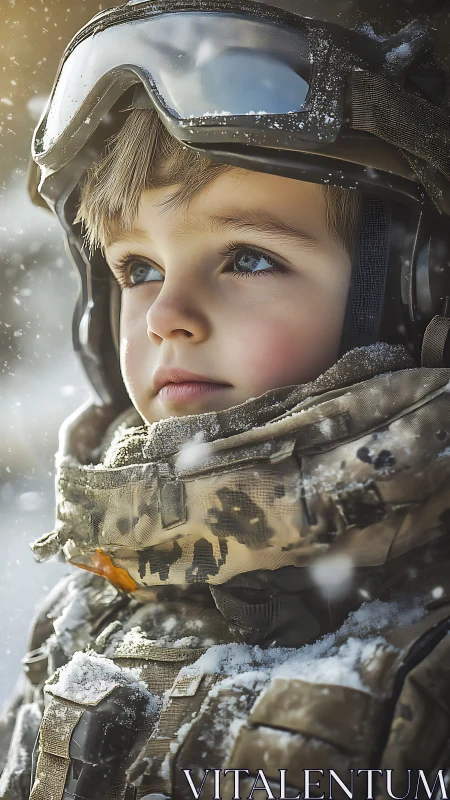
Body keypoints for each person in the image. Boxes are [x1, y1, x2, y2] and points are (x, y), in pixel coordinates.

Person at [2, 0, 450, 797]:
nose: (168, 317)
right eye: (137, 269)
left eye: (245, 257)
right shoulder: (95, 606)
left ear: (415, 287)